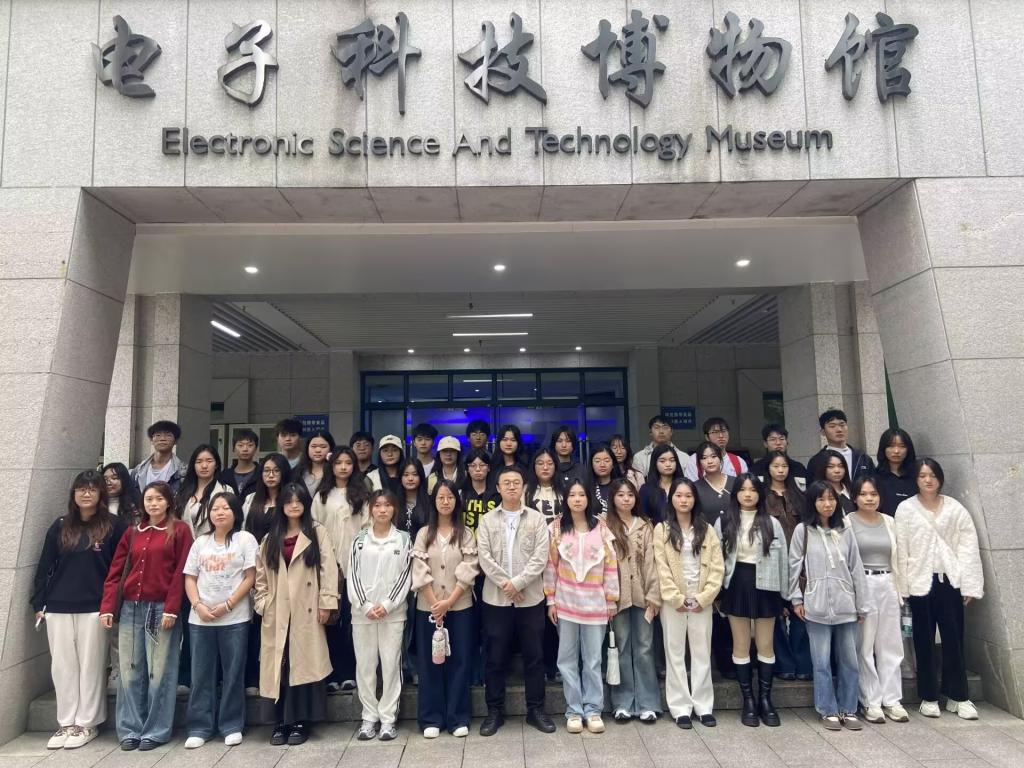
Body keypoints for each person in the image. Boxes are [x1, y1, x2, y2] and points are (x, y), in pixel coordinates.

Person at [33, 470, 128, 750]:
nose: (86, 494)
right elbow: (44, 566)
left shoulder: (114, 526)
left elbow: (121, 569)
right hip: (58, 606)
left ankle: (87, 723)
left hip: (95, 607)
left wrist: (113, 605)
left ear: (101, 494)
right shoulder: (60, 526)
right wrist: (39, 604)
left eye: (92, 489)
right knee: (62, 666)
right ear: (73, 493)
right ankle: (66, 722)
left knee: (91, 665)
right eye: (81, 489)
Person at [100, 481, 193, 751]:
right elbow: (115, 572)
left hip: (160, 609)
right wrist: (108, 606)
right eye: (149, 499)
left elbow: (182, 571)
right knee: (130, 669)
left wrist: (172, 608)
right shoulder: (132, 532)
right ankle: (130, 728)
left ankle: (156, 730)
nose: (153, 504)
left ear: (169, 502)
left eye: (159, 499)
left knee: (159, 670)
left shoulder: (180, 530)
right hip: (131, 607)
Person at [895, 458, 983, 720]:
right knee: (923, 640)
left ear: (940, 478)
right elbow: (901, 549)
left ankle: (959, 696)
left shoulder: (955, 507)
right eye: (922, 476)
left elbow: (968, 547)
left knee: (953, 638)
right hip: (919, 582)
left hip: (949, 581)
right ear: (915, 479)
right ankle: (929, 696)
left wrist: (969, 584)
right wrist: (902, 587)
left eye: (932, 475)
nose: (928, 480)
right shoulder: (906, 509)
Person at [255, 483, 338, 746]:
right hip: (278, 610)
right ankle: (281, 721)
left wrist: (327, 603)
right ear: (281, 505)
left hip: (307, 608)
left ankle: (301, 720)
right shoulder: (271, 537)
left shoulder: (317, 532)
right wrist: (263, 603)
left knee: (302, 664)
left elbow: (328, 569)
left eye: (298, 501)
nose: (294, 505)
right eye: (289, 501)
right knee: (280, 664)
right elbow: (260, 576)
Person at [476, 465, 555, 736]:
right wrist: (507, 585)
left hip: (530, 599)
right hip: (496, 600)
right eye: (506, 482)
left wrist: (518, 583)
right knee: (495, 657)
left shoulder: (536, 519)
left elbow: (540, 557)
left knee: (534, 656)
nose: (511, 486)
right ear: (498, 488)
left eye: (516, 482)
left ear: (523, 487)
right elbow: (484, 557)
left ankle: (536, 710)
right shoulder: (487, 520)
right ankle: (494, 712)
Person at [788, 481, 869, 731]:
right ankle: (827, 709)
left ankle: (849, 707)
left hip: (846, 604)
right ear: (812, 502)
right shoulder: (803, 530)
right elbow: (794, 566)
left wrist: (862, 604)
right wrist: (796, 599)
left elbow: (856, 568)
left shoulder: (845, 529)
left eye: (831, 499)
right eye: (821, 499)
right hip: (816, 605)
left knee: (849, 661)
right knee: (821, 662)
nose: (827, 504)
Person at [183, 492, 258, 748]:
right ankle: (199, 727)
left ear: (235, 512)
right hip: (200, 619)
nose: (220, 512)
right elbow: (190, 577)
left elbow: (250, 577)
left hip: (234, 618)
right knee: (201, 674)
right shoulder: (200, 542)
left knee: (233, 673)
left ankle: (231, 725)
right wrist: (197, 605)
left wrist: (228, 604)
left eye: (226, 508)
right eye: (215, 508)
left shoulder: (245, 539)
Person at [544, 479, 619, 734]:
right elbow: (550, 567)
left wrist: (611, 599)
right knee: (566, 660)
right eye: (572, 495)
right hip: (566, 603)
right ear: (565, 499)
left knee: (593, 660)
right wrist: (550, 600)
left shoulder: (602, 528)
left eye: (581, 495)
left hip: (595, 605)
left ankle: (593, 709)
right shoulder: (556, 528)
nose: (577, 499)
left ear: (589, 498)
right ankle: (574, 710)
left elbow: (610, 566)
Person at [714, 474, 788, 728]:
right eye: (743, 489)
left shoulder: (772, 523)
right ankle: (748, 700)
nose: (748, 494)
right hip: (737, 584)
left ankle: (765, 699)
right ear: (735, 493)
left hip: (767, 586)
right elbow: (716, 558)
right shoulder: (725, 520)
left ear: (760, 493)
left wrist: (786, 596)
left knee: (766, 644)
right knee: (741, 644)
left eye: (753, 490)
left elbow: (784, 562)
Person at [653, 478, 724, 729]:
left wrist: (705, 597)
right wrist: (675, 598)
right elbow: (661, 567)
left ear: (695, 499)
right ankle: (680, 707)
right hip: (673, 600)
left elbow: (717, 567)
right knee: (674, 653)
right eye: (679, 495)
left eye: (688, 496)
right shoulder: (661, 529)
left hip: (701, 598)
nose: (683, 500)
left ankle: (703, 706)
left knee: (701, 652)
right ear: (671, 498)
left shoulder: (707, 529)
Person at [411, 480, 479, 738]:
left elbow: (469, 568)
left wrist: (449, 602)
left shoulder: (466, 533)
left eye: (450, 497)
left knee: (459, 661)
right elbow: (419, 569)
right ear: (434, 501)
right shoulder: (423, 533)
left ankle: (457, 717)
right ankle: (431, 717)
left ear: (456, 501)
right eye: (441, 497)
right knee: (430, 662)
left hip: (460, 606)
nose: (445, 501)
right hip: (427, 607)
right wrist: (434, 604)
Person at [349, 490, 412, 742]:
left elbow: (405, 576)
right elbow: (352, 575)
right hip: (362, 614)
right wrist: (365, 605)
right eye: (377, 505)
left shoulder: (404, 539)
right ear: (370, 509)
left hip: (393, 614)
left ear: (394, 509)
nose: (382, 510)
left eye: (387, 505)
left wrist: (387, 605)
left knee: (390, 664)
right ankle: (368, 717)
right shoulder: (359, 540)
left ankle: (387, 719)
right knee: (365, 666)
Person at [847, 476, 908, 724]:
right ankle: (871, 700)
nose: (869, 499)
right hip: (863, 584)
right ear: (855, 497)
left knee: (891, 643)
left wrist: (903, 589)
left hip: (888, 583)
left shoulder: (890, 522)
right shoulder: (847, 522)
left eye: (873, 494)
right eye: (863, 494)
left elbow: (900, 556)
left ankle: (892, 700)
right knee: (865, 645)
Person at [311, 446, 368, 694]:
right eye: (338, 463)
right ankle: (332, 673)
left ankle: (350, 672)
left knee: (352, 621)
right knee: (331, 622)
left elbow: (367, 528)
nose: (343, 467)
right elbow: (314, 528)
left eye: (348, 463)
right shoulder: (322, 496)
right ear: (331, 466)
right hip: (328, 566)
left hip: (357, 565)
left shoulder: (362, 495)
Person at [604, 478, 661, 723]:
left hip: (643, 596)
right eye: (620, 495)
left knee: (645, 648)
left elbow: (652, 563)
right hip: (617, 598)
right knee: (621, 647)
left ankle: (648, 703)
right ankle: (622, 703)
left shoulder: (645, 526)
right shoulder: (605, 525)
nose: (626, 499)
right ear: (612, 498)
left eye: (630, 494)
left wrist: (654, 596)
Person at [242, 453, 291, 693]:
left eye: (276, 471)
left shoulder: (290, 499)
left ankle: (282, 678)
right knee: (256, 622)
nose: (271, 475)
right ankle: (254, 678)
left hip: (283, 566)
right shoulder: (251, 500)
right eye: (266, 471)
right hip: (255, 567)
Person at [763, 451, 811, 682]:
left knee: (800, 611)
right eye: (776, 466)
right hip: (773, 559)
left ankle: (803, 664)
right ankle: (784, 664)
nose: (780, 470)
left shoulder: (799, 496)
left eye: (784, 466)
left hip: (799, 559)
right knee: (776, 613)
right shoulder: (763, 496)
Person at [525, 448, 564, 682]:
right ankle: (538, 666)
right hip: (532, 560)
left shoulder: (564, 491)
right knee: (535, 618)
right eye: (540, 463)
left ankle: (554, 666)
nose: (545, 467)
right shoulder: (526, 491)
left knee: (555, 615)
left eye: (550, 463)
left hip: (560, 560)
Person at [806, 409, 875, 482]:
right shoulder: (816, 461)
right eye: (832, 426)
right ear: (823, 431)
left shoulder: (863, 459)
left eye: (842, 425)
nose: (839, 430)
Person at [176, 444, 226, 537]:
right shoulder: (183, 490)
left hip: (214, 543)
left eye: (209, 461)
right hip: (186, 543)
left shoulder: (225, 491)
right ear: (193, 465)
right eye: (199, 462)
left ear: (216, 465)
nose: (204, 466)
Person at [130, 420, 186, 492]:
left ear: (176, 441)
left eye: (168, 435)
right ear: (151, 440)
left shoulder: (183, 471)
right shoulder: (137, 471)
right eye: (158, 435)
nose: (162, 439)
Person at [875, 427, 918, 516]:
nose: (896, 451)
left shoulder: (917, 476)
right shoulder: (875, 477)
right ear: (883, 448)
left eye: (902, 446)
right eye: (891, 446)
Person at [639, 444, 684, 524]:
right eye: (662, 461)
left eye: (672, 460)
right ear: (655, 463)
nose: (668, 464)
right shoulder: (646, 489)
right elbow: (643, 517)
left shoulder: (685, 486)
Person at [463, 448, 500, 531]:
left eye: (482, 465)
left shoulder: (497, 494)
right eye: (473, 465)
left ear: (488, 468)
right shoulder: (460, 494)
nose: (478, 469)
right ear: (467, 469)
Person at [811, 449, 855, 516]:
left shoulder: (853, 490)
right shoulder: (815, 492)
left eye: (841, 466)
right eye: (831, 467)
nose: (837, 471)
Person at [221, 428, 260, 500]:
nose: (245, 449)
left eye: (250, 445)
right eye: (240, 445)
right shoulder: (225, 475)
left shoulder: (262, 474)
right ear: (234, 448)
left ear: (256, 448)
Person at [297, 430, 336, 498]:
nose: (318, 450)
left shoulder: (336, 472)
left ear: (330, 449)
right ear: (307, 448)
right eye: (313, 446)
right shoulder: (297, 472)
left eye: (323, 447)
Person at [588, 442, 621, 515]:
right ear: (591, 464)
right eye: (597, 461)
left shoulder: (622, 486)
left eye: (606, 461)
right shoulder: (585, 488)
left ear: (613, 464)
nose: (602, 465)